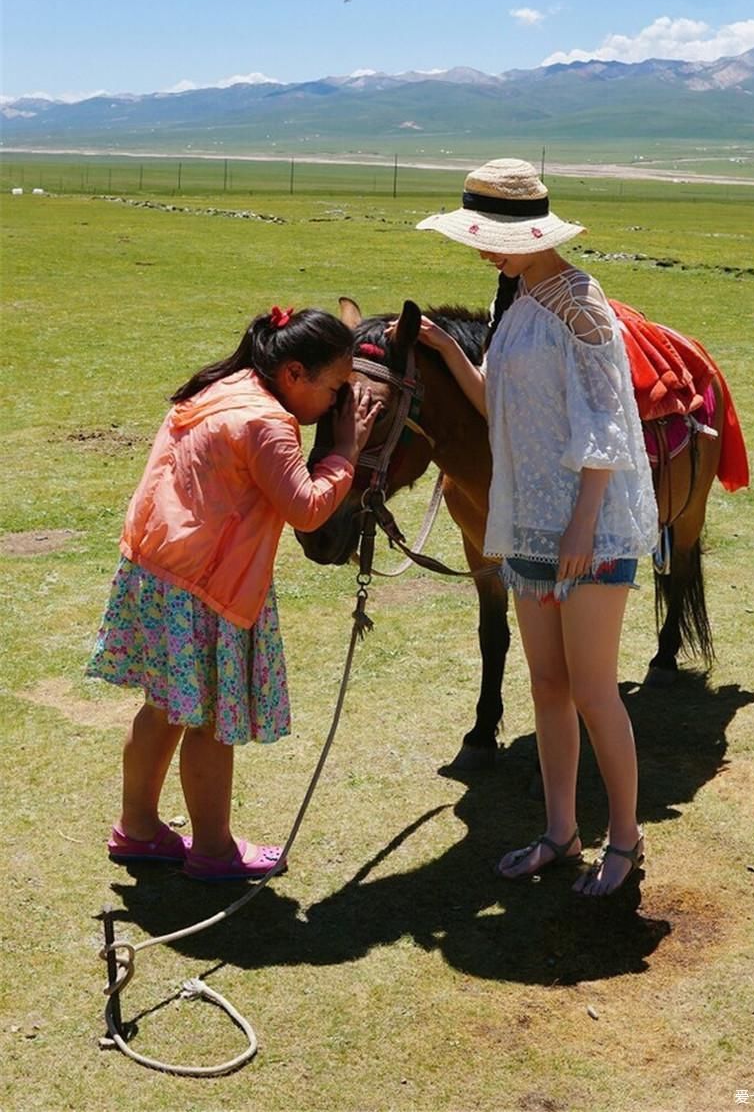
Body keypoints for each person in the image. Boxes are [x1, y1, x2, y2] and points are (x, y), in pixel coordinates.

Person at [395, 158, 659, 896]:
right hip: (530, 524)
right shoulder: (514, 301)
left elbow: (607, 420)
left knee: (593, 689)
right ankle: (560, 829)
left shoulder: (581, 303)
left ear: (530, 231)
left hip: (587, 530)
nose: (483, 250)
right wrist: (451, 354)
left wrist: (581, 525)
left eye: (492, 237)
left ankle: (627, 840)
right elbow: (501, 411)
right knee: (546, 683)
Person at [87, 306, 381, 881]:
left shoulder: (223, 385)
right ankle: (214, 850)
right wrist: (346, 448)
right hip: (207, 586)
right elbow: (306, 509)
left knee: (166, 705)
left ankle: (138, 828)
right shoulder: (269, 422)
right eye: (336, 388)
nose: (339, 401)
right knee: (208, 722)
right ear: (294, 374)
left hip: (157, 570)